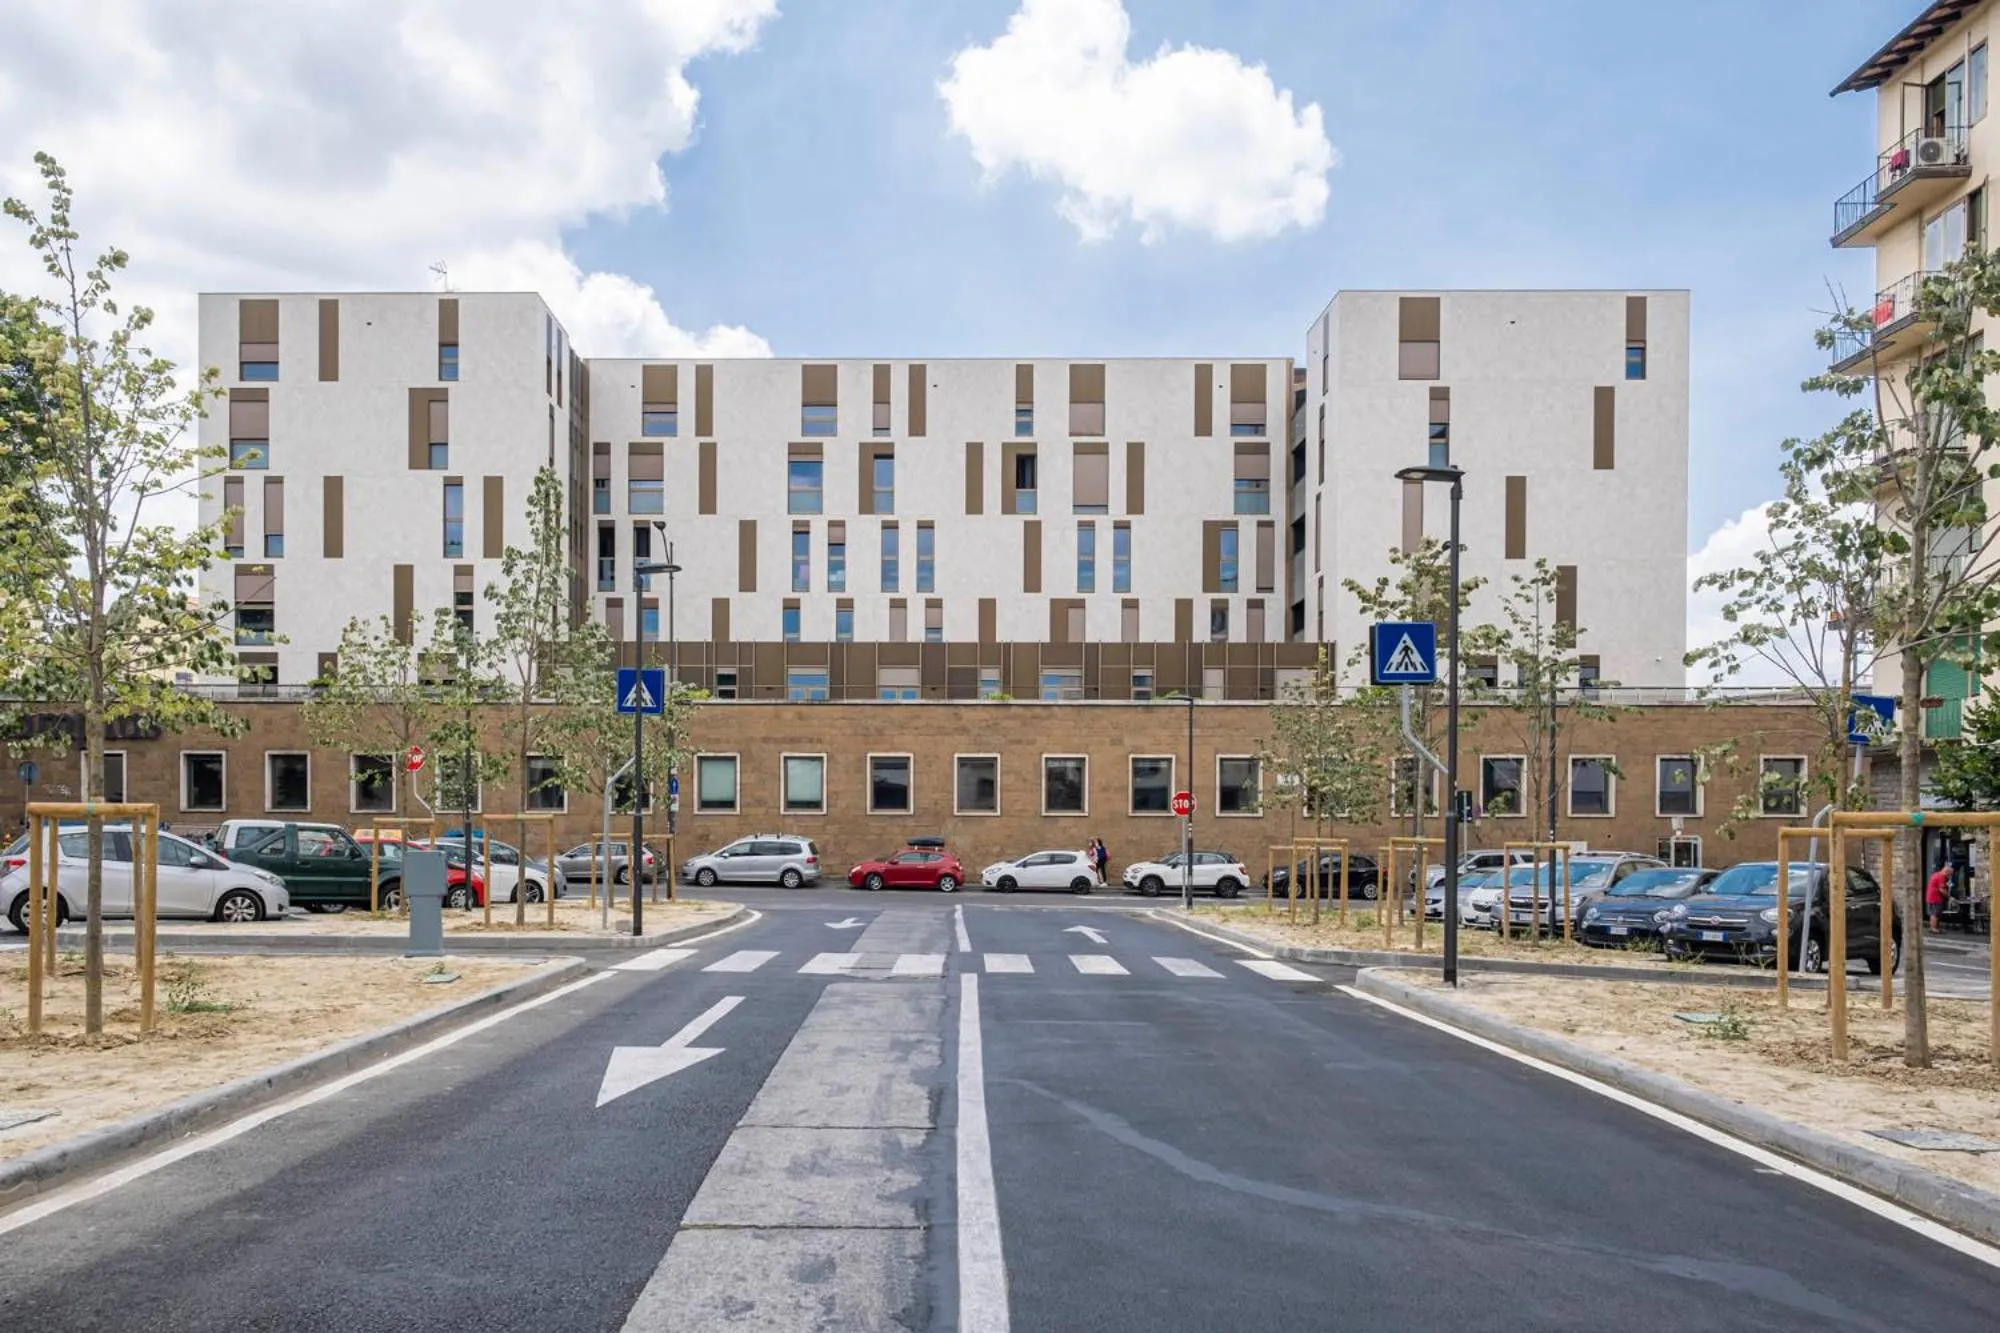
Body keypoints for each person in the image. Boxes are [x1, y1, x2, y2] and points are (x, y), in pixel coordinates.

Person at [1926, 862, 1952, 933]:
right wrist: (1949, 896)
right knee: (1936, 913)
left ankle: (1934, 927)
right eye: (1949, 874)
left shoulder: (1936, 874)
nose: (1949, 877)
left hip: (1931, 896)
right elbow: (1942, 889)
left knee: (1933, 913)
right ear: (1946, 872)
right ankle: (1934, 928)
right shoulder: (1941, 877)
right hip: (1936, 897)